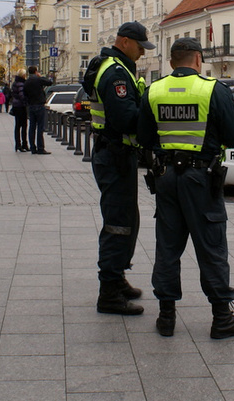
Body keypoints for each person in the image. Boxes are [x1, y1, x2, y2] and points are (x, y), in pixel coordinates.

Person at [137, 37, 234, 339]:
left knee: (167, 246)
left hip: (166, 178)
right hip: (201, 179)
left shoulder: (154, 91)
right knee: (211, 246)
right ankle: (222, 318)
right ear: (198, 60)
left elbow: (145, 137)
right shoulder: (212, 89)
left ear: (172, 61)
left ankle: (166, 317)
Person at [83, 21, 154, 316]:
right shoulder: (115, 73)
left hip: (115, 154)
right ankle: (109, 293)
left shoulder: (118, 67)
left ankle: (117, 277)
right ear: (124, 41)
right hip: (114, 155)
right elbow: (125, 118)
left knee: (127, 219)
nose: (142, 52)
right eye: (140, 46)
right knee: (118, 223)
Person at [23, 66, 54, 154]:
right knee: (40, 127)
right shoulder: (38, 79)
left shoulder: (27, 82)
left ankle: (33, 147)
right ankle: (40, 148)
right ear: (36, 71)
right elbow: (50, 82)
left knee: (32, 127)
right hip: (40, 105)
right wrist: (40, 77)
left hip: (31, 106)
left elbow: (25, 94)